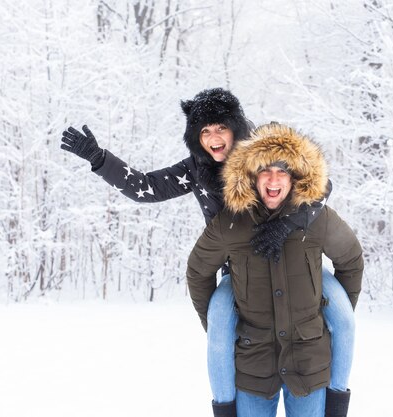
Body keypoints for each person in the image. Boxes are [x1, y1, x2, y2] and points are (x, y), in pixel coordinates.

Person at [60, 89, 355, 417]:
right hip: (239, 270)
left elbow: (318, 183)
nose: (214, 138)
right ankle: (226, 406)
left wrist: (289, 224)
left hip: (295, 260)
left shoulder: (259, 150)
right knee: (219, 321)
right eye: (204, 131)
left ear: (235, 128)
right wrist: (100, 160)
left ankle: (336, 401)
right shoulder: (196, 170)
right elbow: (146, 188)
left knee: (342, 316)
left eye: (220, 128)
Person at [186, 122, 364, 417]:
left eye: (282, 171)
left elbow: (351, 260)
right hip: (254, 368)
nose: (273, 179)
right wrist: (221, 326)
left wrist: (326, 310)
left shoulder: (317, 219)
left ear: (294, 177)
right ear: (251, 175)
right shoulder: (232, 222)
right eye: (264, 170)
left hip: (309, 365)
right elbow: (198, 271)